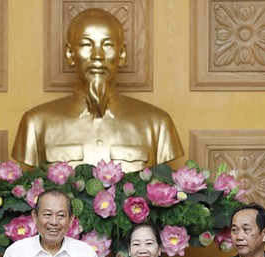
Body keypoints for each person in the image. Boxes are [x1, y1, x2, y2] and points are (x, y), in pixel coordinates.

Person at [12, 8, 183, 173]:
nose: (97, 56)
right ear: (70, 54)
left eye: (107, 45)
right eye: (86, 44)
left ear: (122, 54)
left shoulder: (157, 124)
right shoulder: (36, 124)